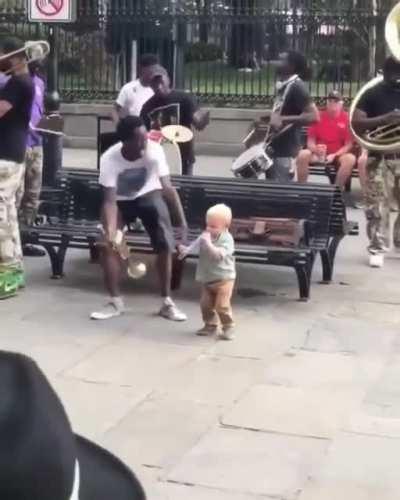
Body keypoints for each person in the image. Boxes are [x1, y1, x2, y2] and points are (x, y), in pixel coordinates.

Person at [91, 115, 188, 321]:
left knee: (165, 243)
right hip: (119, 202)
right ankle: (115, 301)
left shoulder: (155, 151)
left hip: (148, 195)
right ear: (125, 141)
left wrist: (182, 224)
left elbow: (168, 189)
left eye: (146, 137)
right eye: (140, 139)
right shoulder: (110, 158)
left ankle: (166, 302)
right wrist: (110, 231)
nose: (146, 142)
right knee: (108, 245)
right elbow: (109, 201)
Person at [352, 55, 400, 268]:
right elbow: (357, 122)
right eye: (395, 73)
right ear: (386, 72)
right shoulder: (372, 94)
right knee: (377, 205)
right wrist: (384, 119)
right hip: (379, 157)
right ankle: (377, 248)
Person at [0, 37, 34, 299]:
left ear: (12, 58)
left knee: (2, 221)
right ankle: (13, 279)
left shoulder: (17, 83)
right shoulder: (22, 82)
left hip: (6, 158)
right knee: (9, 218)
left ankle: (7, 281)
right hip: (13, 155)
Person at [179, 204, 236, 340]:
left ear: (225, 227)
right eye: (207, 225)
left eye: (213, 226)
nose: (209, 229)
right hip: (208, 278)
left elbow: (218, 256)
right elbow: (196, 244)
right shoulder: (206, 235)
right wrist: (186, 250)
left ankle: (228, 326)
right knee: (205, 304)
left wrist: (209, 244)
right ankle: (210, 325)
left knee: (221, 305)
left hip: (224, 279)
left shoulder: (227, 240)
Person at [140, 65, 210, 176]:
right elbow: (143, 134)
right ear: (150, 86)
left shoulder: (184, 98)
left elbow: (198, 120)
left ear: (168, 79)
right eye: (154, 83)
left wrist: (202, 119)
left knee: (184, 189)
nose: (158, 86)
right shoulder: (147, 108)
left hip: (184, 155)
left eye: (160, 80)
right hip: (158, 158)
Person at [265, 51, 319, 182]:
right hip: (275, 146)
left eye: (281, 60)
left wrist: (284, 119)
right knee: (271, 189)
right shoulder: (285, 85)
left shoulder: (297, 87)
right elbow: (282, 112)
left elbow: (314, 116)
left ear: (292, 66)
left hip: (286, 149)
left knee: (280, 192)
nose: (277, 63)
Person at [296, 90, 356, 189]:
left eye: (336, 101)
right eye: (330, 101)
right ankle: (302, 189)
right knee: (302, 154)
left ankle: (336, 191)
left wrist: (335, 155)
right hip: (318, 154)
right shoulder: (318, 116)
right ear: (327, 102)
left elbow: (348, 145)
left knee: (350, 159)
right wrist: (316, 149)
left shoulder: (347, 119)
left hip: (338, 154)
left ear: (341, 103)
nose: (332, 103)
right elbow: (310, 142)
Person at [17, 60, 46, 257]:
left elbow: (40, 110)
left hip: (37, 145)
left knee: (32, 195)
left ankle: (24, 240)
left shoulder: (40, 83)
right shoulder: (14, 82)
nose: (38, 62)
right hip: (19, 144)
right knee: (15, 194)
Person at [111, 53, 159, 124]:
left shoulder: (158, 89)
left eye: (155, 70)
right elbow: (114, 110)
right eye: (150, 70)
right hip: (132, 129)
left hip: (151, 129)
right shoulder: (128, 88)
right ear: (142, 69)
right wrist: (119, 127)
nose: (153, 73)